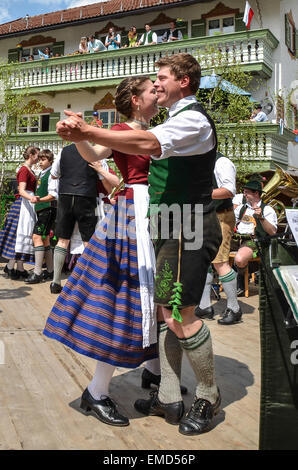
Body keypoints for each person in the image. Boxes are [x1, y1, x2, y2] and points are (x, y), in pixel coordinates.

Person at [54, 52, 222, 436]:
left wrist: (89, 133)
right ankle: (163, 390)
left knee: (175, 311)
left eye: (161, 78)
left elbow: (147, 143)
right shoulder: (173, 119)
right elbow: (126, 149)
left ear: (183, 81)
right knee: (162, 307)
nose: (156, 84)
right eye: (152, 82)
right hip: (161, 220)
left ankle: (207, 395)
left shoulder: (191, 119)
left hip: (186, 222)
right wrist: (89, 140)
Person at [44, 76, 160, 427]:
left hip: (150, 210)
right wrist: (80, 136)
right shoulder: (123, 129)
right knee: (125, 296)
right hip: (132, 212)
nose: (158, 92)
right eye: (152, 89)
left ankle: (154, 373)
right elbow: (94, 155)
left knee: (151, 295)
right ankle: (96, 391)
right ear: (137, 101)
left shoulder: (159, 128)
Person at [47, 143, 109, 294]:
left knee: (63, 239)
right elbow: (103, 175)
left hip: (66, 195)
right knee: (87, 240)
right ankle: (88, 282)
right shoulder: (96, 151)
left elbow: (54, 174)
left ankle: (55, 282)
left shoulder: (65, 150)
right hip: (86, 196)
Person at [195, 152, 242, 325]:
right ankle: (204, 306)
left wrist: (200, 193)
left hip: (221, 216)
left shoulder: (222, 162)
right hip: (204, 215)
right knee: (204, 262)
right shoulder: (200, 160)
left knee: (220, 262)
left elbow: (229, 190)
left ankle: (235, 308)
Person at [232, 179, 277, 276]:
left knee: (239, 259)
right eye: (244, 192)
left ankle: (241, 278)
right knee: (213, 251)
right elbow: (231, 223)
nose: (244, 194)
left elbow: (272, 232)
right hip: (236, 239)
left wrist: (261, 218)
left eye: (246, 192)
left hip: (254, 241)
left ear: (256, 193)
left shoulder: (267, 209)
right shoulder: (241, 208)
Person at [25, 149, 57, 284]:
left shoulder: (51, 174)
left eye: (43, 160)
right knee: (45, 240)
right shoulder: (43, 174)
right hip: (43, 210)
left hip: (48, 209)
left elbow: (53, 195)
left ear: (50, 161)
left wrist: (38, 200)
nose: (40, 162)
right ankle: (50, 270)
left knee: (36, 237)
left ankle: (37, 272)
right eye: (39, 159)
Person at [13, 146, 40, 279]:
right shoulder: (24, 170)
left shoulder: (29, 169)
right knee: (23, 231)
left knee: (26, 231)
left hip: (29, 201)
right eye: (37, 155)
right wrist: (31, 198)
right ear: (31, 155)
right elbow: (21, 190)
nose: (39, 157)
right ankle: (19, 268)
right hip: (26, 201)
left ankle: (16, 267)